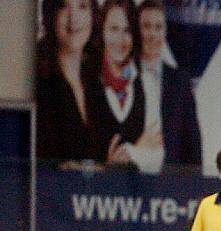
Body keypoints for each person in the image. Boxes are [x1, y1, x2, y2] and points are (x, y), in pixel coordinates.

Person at [86, 0, 157, 167]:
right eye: (114, 29)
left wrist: (134, 153)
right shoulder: (86, 81)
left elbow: (156, 148)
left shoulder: (146, 83)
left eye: (127, 31)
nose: (121, 39)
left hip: (137, 190)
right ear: (101, 31)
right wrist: (107, 166)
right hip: (90, 191)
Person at [135, 0, 202, 174]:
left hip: (168, 187)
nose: (152, 34)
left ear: (165, 31)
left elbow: (192, 144)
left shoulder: (180, 81)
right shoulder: (124, 75)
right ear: (136, 30)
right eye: (146, 26)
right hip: (125, 183)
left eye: (158, 27)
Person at [36, 0, 100, 165]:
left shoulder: (96, 80)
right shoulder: (37, 82)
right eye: (64, 6)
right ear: (51, 14)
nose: (74, 18)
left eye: (82, 6)